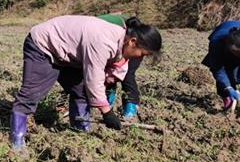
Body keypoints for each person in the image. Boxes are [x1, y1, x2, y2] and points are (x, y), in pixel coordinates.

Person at [10, 15, 162, 151]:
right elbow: (94, 79)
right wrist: (107, 112)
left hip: (67, 54)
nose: (139, 58)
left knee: (81, 91)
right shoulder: (103, 41)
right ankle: (17, 141)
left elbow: (115, 69)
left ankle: (80, 130)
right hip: (44, 46)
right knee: (32, 93)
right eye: (142, 54)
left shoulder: (120, 41)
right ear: (133, 42)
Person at [97, 14, 143, 119]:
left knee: (127, 75)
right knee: (108, 73)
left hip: (133, 45)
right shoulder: (93, 28)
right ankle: (107, 106)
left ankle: (130, 109)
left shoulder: (103, 28)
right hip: (114, 44)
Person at [201, 20, 240, 111]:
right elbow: (218, 69)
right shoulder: (216, 44)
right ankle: (228, 100)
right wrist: (228, 87)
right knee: (227, 75)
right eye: (236, 53)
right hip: (222, 49)